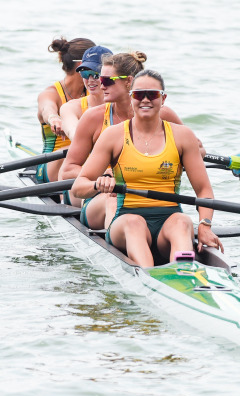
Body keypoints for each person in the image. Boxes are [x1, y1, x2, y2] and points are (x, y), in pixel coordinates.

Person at [70, 70, 222, 268]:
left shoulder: (183, 136)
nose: (145, 100)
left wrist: (205, 225)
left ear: (163, 98)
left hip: (168, 219)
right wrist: (98, 185)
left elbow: (203, 190)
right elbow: (78, 187)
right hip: (125, 220)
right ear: (131, 97)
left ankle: (184, 271)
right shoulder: (113, 136)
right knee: (135, 224)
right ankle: (148, 275)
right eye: (139, 94)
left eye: (152, 94)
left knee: (183, 221)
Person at [59, 52, 184, 230]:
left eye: (106, 80)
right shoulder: (93, 118)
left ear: (128, 82)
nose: (101, 85)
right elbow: (67, 171)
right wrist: (103, 177)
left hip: (145, 197)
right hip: (102, 196)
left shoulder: (163, 114)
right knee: (113, 200)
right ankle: (115, 241)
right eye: (101, 79)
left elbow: (197, 150)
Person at [35, 37, 95, 182]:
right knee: (70, 151)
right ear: (82, 65)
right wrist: (54, 119)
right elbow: (47, 109)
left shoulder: (95, 93)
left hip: (86, 160)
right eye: (98, 63)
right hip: (51, 164)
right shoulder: (51, 93)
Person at [59, 45, 112, 141]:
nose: (90, 80)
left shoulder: (125, 105)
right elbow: (73, 133)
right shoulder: (70, 108)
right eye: (85, 74)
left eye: (96, 74)